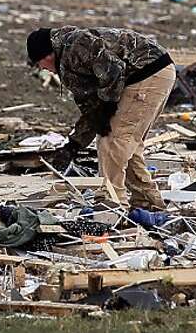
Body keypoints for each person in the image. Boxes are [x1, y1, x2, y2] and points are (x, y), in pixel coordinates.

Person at [27, 25, 174, 211]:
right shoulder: (68, 64)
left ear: (46, 56)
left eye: (39, 64)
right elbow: (91, 109)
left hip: (148, 73)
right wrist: (74, 145)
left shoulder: (76, 44)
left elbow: (114, 69)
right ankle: (147, 203)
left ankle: (112, 206)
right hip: (149, 75)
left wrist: (108, 104)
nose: (42, 69)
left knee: (112, 142)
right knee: (127, 145)